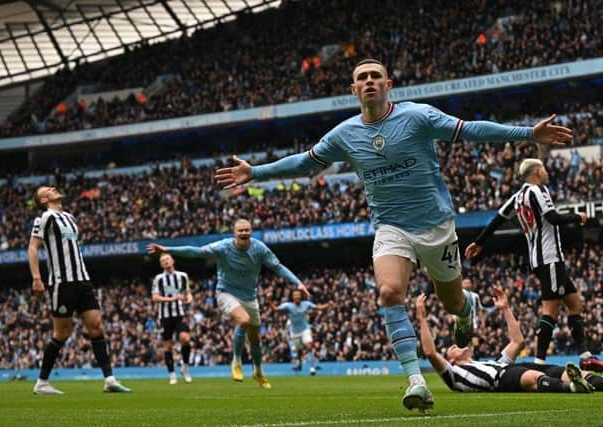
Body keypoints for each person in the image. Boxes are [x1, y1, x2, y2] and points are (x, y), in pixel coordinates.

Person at [214, 58, 573, 410]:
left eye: (376, 76)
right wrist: (255, 173)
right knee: (388, 292)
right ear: (354, 89)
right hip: (390, 227)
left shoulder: (418, 116)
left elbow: (472, 130)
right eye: (362, 77)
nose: (369, 81)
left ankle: (468, 308)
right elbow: (304, 162)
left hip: (436, 226)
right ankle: (416, 380)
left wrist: (528, 134)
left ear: (389, 85)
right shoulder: (344, 134)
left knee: (452, 303)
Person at [465, 158, 603, 373]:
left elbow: (497, 219)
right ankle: (539, 364)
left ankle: (585, 356)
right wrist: (576, 217)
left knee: (574, 302)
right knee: (551, 310)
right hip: (549, 258)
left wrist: (479, 242)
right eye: (543, 168)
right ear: (536, 171)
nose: (546, 172)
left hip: (541, 259)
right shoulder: (537, 191)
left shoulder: (517, 197)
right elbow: (552, 217)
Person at [147, 219, 309, 389]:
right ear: (234, 233)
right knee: (244, 321)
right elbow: (196, 252)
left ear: (251, 232)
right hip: (226, 292)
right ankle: (236, 361)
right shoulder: (223, 247)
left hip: (249, 296)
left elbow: (278, 267)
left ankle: (258, 372)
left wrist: (297, 283)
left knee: (255, 336)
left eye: (247, 230)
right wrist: (168, 249)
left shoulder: (259, 248)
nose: (244, 233)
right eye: (241, 231)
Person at [416, 290, 603, 394]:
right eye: (451, 349)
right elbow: (430, 352)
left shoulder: (493, 362)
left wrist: (505, 308)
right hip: (501, 380)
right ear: (452, 361)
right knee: (533, 378)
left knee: (566, 371)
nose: (455, 346)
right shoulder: (454, 375)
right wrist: (422, 317)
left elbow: (518, 341)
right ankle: (574, 389)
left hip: (508, 369)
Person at [28, 186, 131, 395]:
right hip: (61, 282)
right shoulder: (45, 218)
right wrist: (37, 278)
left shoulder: (69, 217)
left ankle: (109, 380)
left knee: (96, 326)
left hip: (82, 280)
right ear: (44, 199)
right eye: (48, 189)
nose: (54, 188)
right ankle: (41, 383)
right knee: (62, 333)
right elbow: (33, 247)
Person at [151, 252, 194, 384]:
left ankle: (185, 368)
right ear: (161, 264)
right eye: (163, 260)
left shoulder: (182, 276)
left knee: (185, 339)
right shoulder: (158, 279)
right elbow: (155, 297)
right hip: (165, 316)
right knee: (168, 346)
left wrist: (189, 299)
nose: (166, 261)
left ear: (173, 261)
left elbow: (187, 293)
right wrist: (171, 299)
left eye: (167, 259)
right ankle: (171, 374)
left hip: (180, 314)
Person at [269, 289, 332, 375]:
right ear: (293, 297)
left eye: (298, 295)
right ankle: (299, 363)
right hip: (295, 332)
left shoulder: (306, 304)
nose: (297, 297)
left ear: (301, 296)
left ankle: (312, 367)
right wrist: (269, 300)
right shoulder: (288, 306)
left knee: (309, 346)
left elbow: (317, 307)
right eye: (295, 295)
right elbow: (275, 309)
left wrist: (328, 305)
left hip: (305, 329)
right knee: (299, 351)